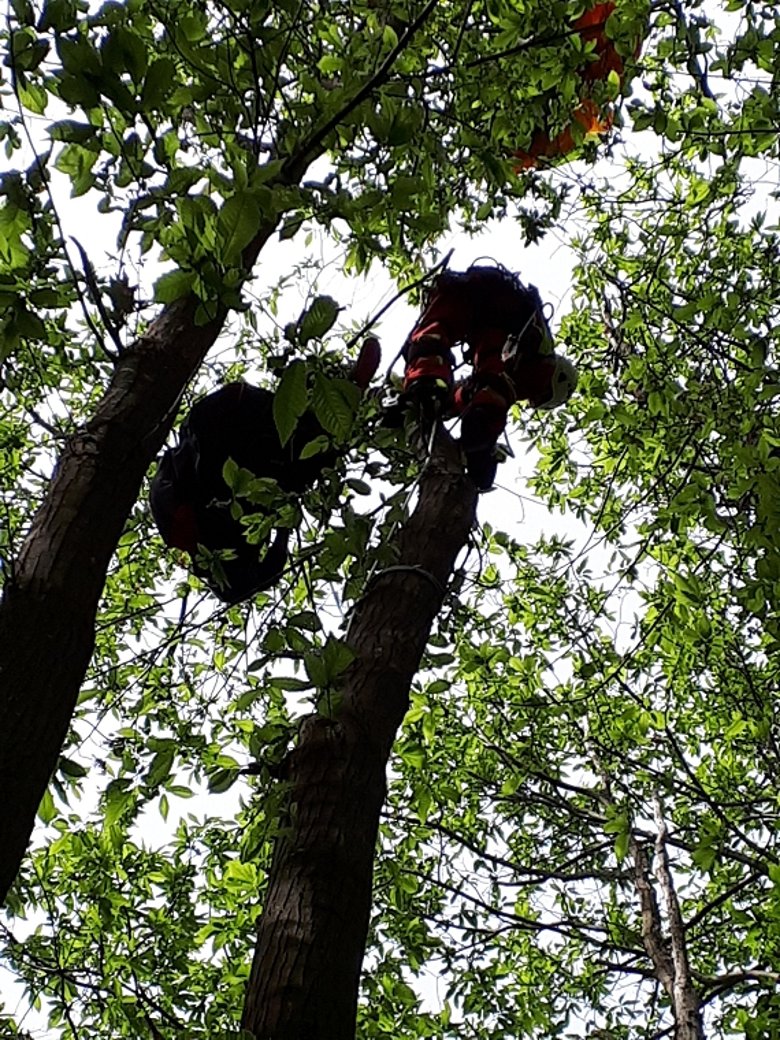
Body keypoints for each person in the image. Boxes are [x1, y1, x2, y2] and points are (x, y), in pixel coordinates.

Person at [399, 265, 577, 489]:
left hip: (462, 294)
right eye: (539, 397)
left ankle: (422, 381)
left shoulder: (513, 344)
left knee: (430, 338)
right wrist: (481, 447)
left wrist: (446, 404)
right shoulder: (535, 362)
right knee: (491, 388)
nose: (530, 399)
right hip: (489, 303)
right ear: (553, 385)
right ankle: (426, 383)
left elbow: (476, 386)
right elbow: (493, 385)